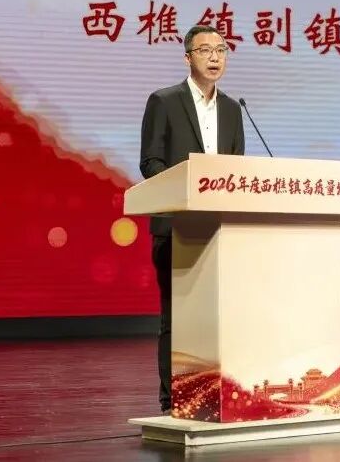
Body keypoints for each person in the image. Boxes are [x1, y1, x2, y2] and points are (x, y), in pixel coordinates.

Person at [139, 24, 245, 414]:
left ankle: (218, 394)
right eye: (205, 50)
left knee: (220, 317)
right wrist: (186, 193)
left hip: (219, 230)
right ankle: (173, 401)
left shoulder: (233, 109)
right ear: (188, 58)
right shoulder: (164, 101)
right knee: (177, 317)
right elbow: (150, 162)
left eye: (221, 50)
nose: (215, 57)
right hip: (176, 227)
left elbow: (237, 171)